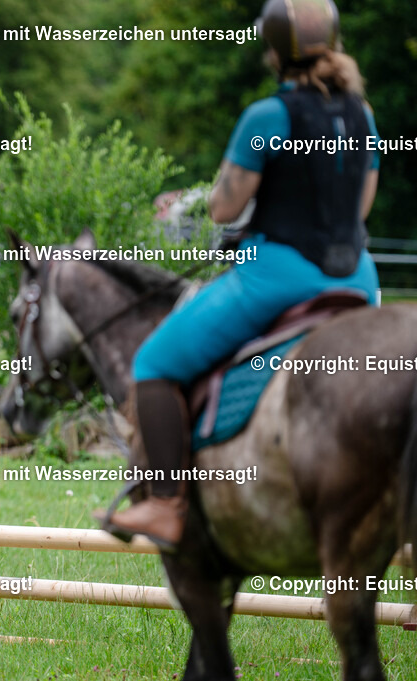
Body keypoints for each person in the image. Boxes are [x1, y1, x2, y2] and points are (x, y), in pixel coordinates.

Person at [101, 0, 380, 550]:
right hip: (359, 281)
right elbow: (362, 208)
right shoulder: (362, 116)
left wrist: (208, 202)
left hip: (279, 274)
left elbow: (226, 208)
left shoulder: (268, 116)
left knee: (154, 363)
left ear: (275, 51)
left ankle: (164, 505)